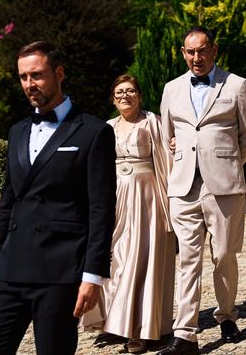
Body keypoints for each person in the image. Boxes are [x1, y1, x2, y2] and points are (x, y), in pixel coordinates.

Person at [0, 41, 117, 355]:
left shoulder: (93, 132)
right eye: (23, 77)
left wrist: (92, 275)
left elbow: (101, 209)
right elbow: (10, 201)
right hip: (10, 269)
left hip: (60, 270)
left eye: (37, 75)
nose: (29, 84)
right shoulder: (17, 131)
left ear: (59, 73)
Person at [158, 27, 246, 355]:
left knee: (224, 255)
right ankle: (185, 334)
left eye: (202, 51)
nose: (196, 58)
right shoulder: (171, 89)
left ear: (214, 50)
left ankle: (227, 315)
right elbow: (166, 135)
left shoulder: (237, 85)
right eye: (190, 52)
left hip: (224, 186)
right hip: (184, 186)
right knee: (187, 260)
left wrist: (227, 163)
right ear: (183, 53)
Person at [81, 75, 175, 354]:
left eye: (131, 91)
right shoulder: (106, 128)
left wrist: (173, 205)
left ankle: (139, 329)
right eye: (120, 91)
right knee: (115, 260)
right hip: (115, 200)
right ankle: (115, 320)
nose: (125, 96)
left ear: (140, 96)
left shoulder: (152, 122)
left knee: (143, 262)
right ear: (112, 98)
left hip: (148, 201)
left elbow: (167, 162)